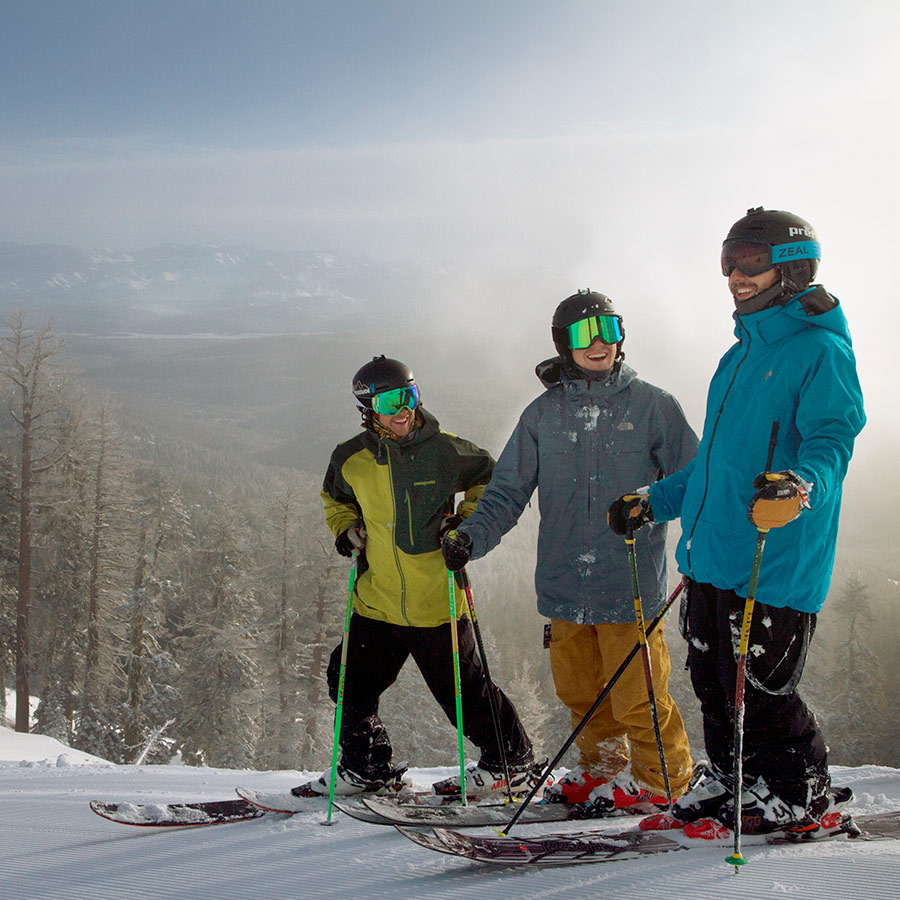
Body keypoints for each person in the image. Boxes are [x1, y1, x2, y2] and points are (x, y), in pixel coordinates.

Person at [609, 207, 866, 836]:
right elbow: (715, 468)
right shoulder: (737, 356)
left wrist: (801, 486)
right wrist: (657, 500)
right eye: (728, 260)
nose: (735, 275)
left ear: (792, 265)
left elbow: (834, 438)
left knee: (763, 689)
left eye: (750, 261)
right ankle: (734, 778)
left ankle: (801, 792)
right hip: (712, 554)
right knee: (712, 680)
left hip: (772, 556)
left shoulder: (820, 351)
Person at [442, 291, 698, 812]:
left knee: (640, 698)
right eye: (585, 333)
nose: (599, 341)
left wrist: (698, 549)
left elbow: (696, 482)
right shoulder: (542, 416)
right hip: (563, 587)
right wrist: (472, 537)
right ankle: (603, 768)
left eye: (608, 328)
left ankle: (660, 780)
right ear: (564, 345)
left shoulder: (654, 406)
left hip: (630, 586)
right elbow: (509, 491)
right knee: (581, 693)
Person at [298, 355, 541, 799]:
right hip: (378, 600)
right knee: (348, 679)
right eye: (391, 400)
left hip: (437, 602)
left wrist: (464, 524)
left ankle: (511, 762)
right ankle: (366, 766)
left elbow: (491, 477)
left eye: (408, 395)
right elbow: (335, 498)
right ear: (368, 407)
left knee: (463, 694)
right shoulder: (349, 458)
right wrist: (346, 529)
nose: (403, 408)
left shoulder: (446, 451)